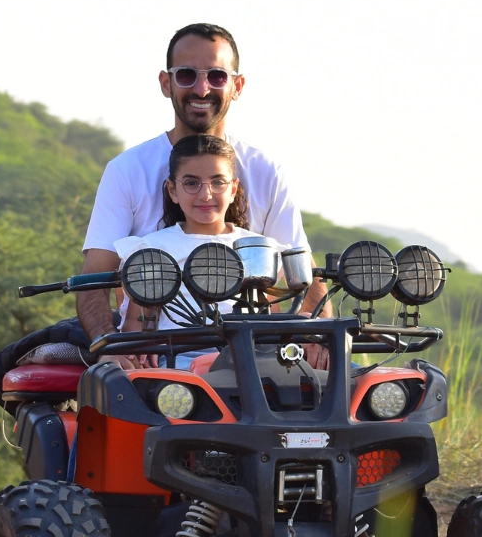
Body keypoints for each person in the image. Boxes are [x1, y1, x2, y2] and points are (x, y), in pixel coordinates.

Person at [77, 22, 328, 368]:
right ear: (166, 84)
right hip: (162, 355)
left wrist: (316, 338)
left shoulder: (267, 171)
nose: (202, 87)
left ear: (237, 86)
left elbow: (303, 272)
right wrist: (113, 349)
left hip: (254, 355)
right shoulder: (127, 170)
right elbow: (95, 279)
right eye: (186, 75)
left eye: (217, 76)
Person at [115, 134, 251, 368]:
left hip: (246, 364)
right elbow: (133, 331)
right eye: (191, 183)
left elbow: (272, 326)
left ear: (233, 189)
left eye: (218, 182)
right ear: (173, 190)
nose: (205, 194)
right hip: (173, 364)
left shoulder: (257, 248)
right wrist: (143, 346)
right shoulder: (151, 248)